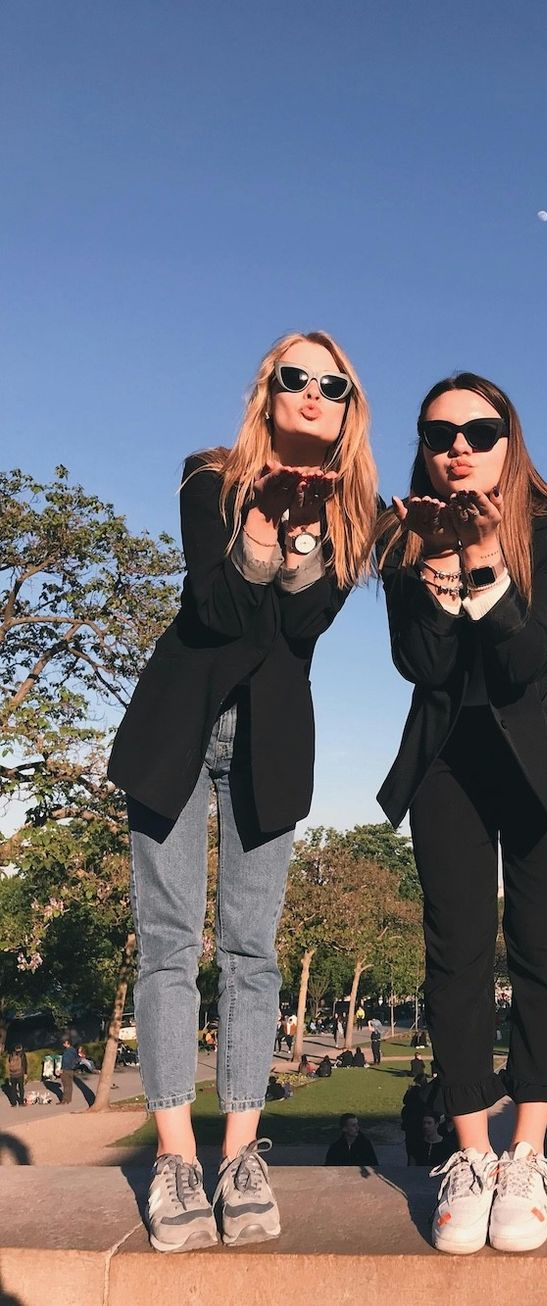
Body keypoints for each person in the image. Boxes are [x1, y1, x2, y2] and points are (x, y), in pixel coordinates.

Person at [107, 331, 378, 1253]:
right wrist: (258, 526)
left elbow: (298, 629)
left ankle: (241, 1154)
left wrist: (301, 535)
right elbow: (219, 610)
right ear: (269, 392)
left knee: (254, 950)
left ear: (348, 406)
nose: (311, 392)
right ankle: (177, 1155)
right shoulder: (207, 478)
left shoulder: (359, 514)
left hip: (269, 736)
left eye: (330, 383)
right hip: (179, 725)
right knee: (170, 944)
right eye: (293, 377)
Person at [378, 371, 547, 1256]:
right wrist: (435, 559)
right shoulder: (403, 540)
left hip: (541, 755)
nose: (458, 447)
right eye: (440, 435)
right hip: (447, 761)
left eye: (479, 429)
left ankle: (526, 1156)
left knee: (545, 947)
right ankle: (471, 1157)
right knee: (456, 952)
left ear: (511, 439)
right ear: (425, 450)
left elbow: (525, 659)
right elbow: (422, 668)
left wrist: (482, 562)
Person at [59, 1039, 80, 1105]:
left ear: (67, 1043)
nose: (63, 1044)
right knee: (69, 1085)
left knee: (66, 1085)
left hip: (66, 1069)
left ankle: (64, 1100)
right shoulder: (73, 1051)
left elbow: (65, 1061)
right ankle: (68, 1099)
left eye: (64, 1043)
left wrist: (62, 1069)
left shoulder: (67, 1051)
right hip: (71, 1070)